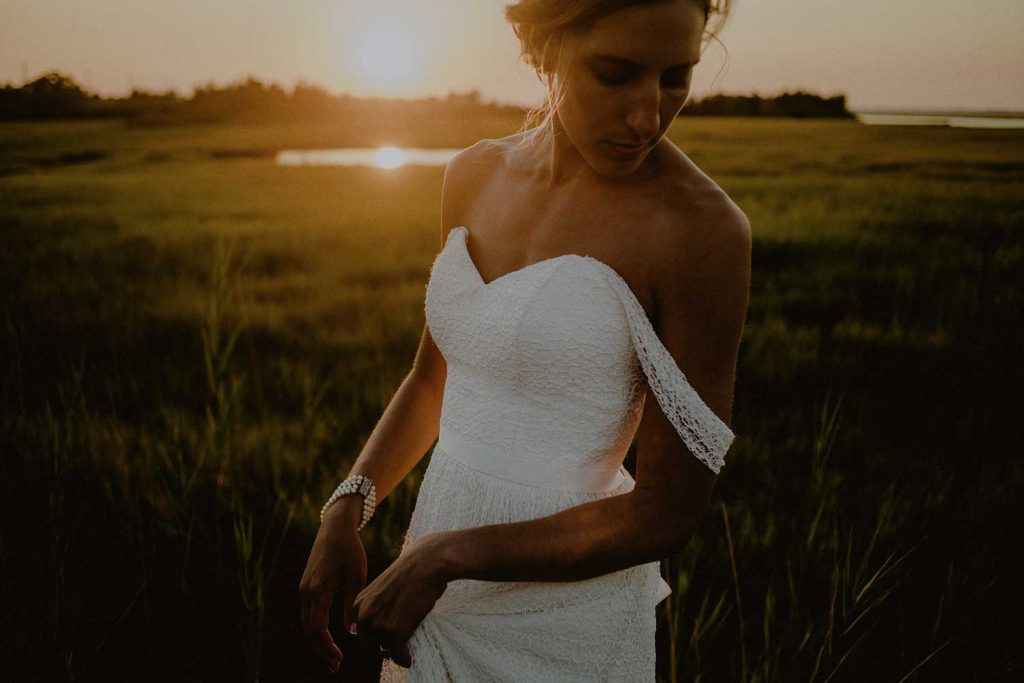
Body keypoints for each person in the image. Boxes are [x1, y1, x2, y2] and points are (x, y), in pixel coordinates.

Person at [300, 0, 749, 679]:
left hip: (562, 619)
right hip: (433, 577)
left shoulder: (700, 231)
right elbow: (433, 378)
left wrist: (449, 556)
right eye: (615, 73)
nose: (648, 116)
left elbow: (668, 512)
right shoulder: (473, 175)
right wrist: (349, 504)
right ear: (543, 50)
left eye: (675, 78)